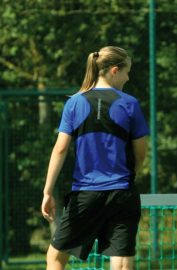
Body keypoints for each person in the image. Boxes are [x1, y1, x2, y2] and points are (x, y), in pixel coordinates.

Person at [40, 46, 149, 270]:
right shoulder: (130, 104)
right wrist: (131, 175)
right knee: (121, 262)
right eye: (128, 71)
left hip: (85, 194)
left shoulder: (75, 103)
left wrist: (47, 191)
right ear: (115, 70)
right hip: (122, 192)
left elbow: (59, 150)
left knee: (55, 257)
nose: (129, 78)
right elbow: (141, 153)